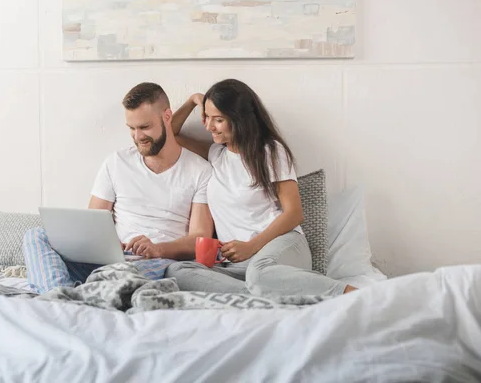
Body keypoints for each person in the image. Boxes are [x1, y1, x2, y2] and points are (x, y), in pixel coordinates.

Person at [165, 79, 356, 298]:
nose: (208, 127)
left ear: (239, 120)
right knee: (177, 271)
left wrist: (251, 246)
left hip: (280, 247)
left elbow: (294, 214)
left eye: (218, 120)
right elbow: (170, 135)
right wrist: (193, 100)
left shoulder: (270, 152)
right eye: (207, 118)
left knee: (259, 274)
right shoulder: (216, 155)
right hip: (238, 264)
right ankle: (267, 291)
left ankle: (350, 293)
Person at [23, 82, 214, 294]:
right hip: (108, 261)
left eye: (145, 127)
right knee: (36, 235)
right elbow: (92, 223)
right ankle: (59, 294)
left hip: (155, 263)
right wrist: (109, 244)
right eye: (131, 128)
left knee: (128, 273)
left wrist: (158, 249)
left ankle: (79, 292)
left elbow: (199, 238)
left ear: (167, 117)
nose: (138, 136)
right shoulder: (116, 162)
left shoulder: (200, 171)